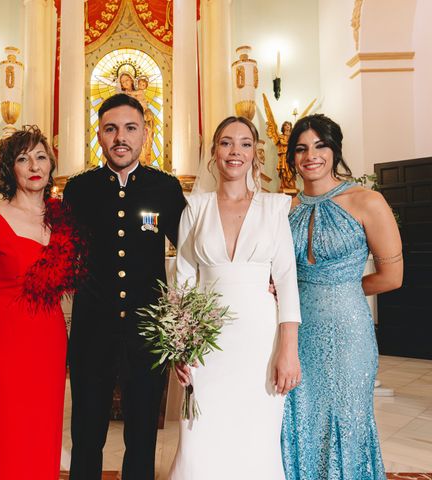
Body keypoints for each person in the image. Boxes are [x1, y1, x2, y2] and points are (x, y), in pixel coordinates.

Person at [169, 116, 302, 479]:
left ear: (255, 153)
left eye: (245, 143)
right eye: (226, 142)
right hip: (205, 339)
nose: (235, 151)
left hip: (260, 338)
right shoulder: (195, 207)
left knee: (256, 435)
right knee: (198, 436)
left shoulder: (275, 206)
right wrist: (182, 346)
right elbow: (182, 280)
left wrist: (288, 348)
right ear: (214, 151)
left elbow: (287, 279)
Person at [63, 93, 186, 480]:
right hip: (91, 328)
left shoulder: (164, 189)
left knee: (142, 433)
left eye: (130, 128)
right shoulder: (79, 190)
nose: (121, 137)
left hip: (146, 331)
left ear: (145, 134)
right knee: (86, 432)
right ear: (98, 134)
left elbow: (196, 249)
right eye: (111, 128)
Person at [280, 114, 403, 479]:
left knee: (347, 418)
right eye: (301, 148)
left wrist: (341, 287)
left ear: (335, 150)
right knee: (299, 417)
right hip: (296, 333)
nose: (310, 155)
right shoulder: (284, 209)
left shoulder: (367, 201)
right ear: (291, 157)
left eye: (320, 146)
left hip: (349, 332)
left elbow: (392, 277)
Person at [0, 125, 85, 479]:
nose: (34, 165)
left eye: (41, 157)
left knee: (41, 433)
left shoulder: (61, 218)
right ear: (9, 168)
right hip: (0, 342)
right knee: (1, 434)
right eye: (23, 158)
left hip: (48, 340)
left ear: (51, 165)